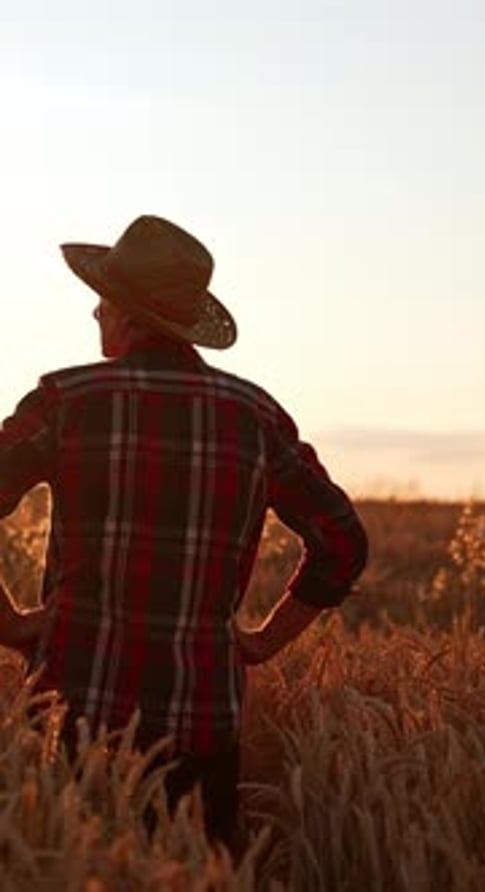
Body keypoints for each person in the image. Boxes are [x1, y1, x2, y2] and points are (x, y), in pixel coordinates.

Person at [0, 215, 368, 850]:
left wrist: (7, 625)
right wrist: (262, 643)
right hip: (202, 726)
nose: (94, 313)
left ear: (131, 316)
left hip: (71, 713)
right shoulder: (254, 416)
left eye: (104, 300)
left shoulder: (67, 401)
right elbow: (344, 542)